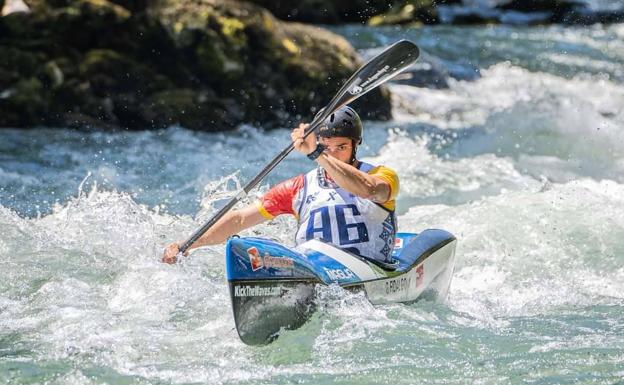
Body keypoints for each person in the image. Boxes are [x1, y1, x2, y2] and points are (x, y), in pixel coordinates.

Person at [162, 105, 399, 264]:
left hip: (369, 268)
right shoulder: (299, 188)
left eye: (342, 148)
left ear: (355, 145)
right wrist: (187, 245)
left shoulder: (382, 176)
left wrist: (317, 153)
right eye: (327, 147)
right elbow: (241, 219)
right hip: (316, 270)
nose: (334, 155)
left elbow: (368, 189)